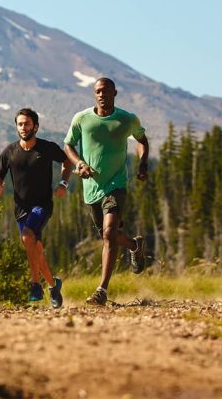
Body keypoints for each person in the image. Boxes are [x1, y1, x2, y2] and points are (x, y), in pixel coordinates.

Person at [63, 77, 149, 306]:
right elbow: (68, 145)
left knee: (109, 233)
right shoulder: (82, 119)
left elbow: (142, 140)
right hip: (91, 189)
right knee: (107, 235)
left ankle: (101, 290)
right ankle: (134, 245)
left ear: (114, 93)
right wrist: (79, 164)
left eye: (106, 91)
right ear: (94, 94)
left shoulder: (126, 119)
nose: (102, 95)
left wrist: (143, 163)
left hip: (117, 184)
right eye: (98, 91)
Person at [0, 107, 72, 308]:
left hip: (42, 205)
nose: (23, 127)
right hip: (21, 209)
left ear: (35, 126)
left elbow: (66, 161)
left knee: (28, 236)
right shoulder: (10, 151)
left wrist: (63, 183)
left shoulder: (46, 147)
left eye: (27, 123)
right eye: (20, 124)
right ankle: (53, 285)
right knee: (35, 248)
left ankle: (35, 284)